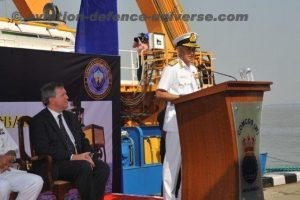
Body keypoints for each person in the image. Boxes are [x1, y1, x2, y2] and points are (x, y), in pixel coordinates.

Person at [30, 82, 110, 200]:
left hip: (79, 161)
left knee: (103, 168)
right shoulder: (39, 121)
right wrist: (73, 157)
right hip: (55, 165)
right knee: (83, 168)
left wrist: (88, 154)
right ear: (51, 99)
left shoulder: (70, 117)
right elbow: (43, 149)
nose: (67, 97)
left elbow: (83, 139)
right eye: (63, 95)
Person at [156, 32, 201, 200]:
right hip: (175, 122)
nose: (192, 53)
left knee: (188, 164)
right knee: (172, 163)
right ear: (180, 50)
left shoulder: (194, 70)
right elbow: (160, 93)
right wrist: (181, 99)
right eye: (189, 50)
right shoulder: (172, 68)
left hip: (192, 122)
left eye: (194, 50)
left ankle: (183, 196)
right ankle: (169, 197)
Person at [0, 121, 43, 200]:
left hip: (6, 170)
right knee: (3, 186)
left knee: (35, 181)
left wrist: (9, 157)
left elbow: (12, 149)